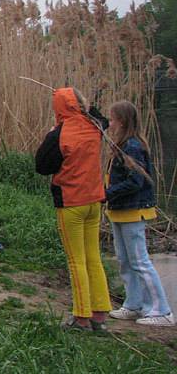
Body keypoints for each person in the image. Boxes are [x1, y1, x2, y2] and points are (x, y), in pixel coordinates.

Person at [35, 87, 111, 331]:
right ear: (81, 104)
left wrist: (51, 134)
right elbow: (102, 118)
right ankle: (99, 314)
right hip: (94, 200)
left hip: (71, 202)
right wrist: (83, 106)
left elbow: (42, 166)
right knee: (93, 258)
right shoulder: (95, 127)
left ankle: (81, 317)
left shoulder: (58, 134)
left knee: (76, 261)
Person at [105, 100, 174, 327]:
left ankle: (162, 310)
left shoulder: (133, 147)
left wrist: (107, 193)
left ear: (122, 121)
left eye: (113, 119)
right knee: (125, 261)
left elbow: (136, 181)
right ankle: (133, 304)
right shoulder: (123, 145)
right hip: (120, 211)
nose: (110, 123)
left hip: (133, 211)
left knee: (140, 262)